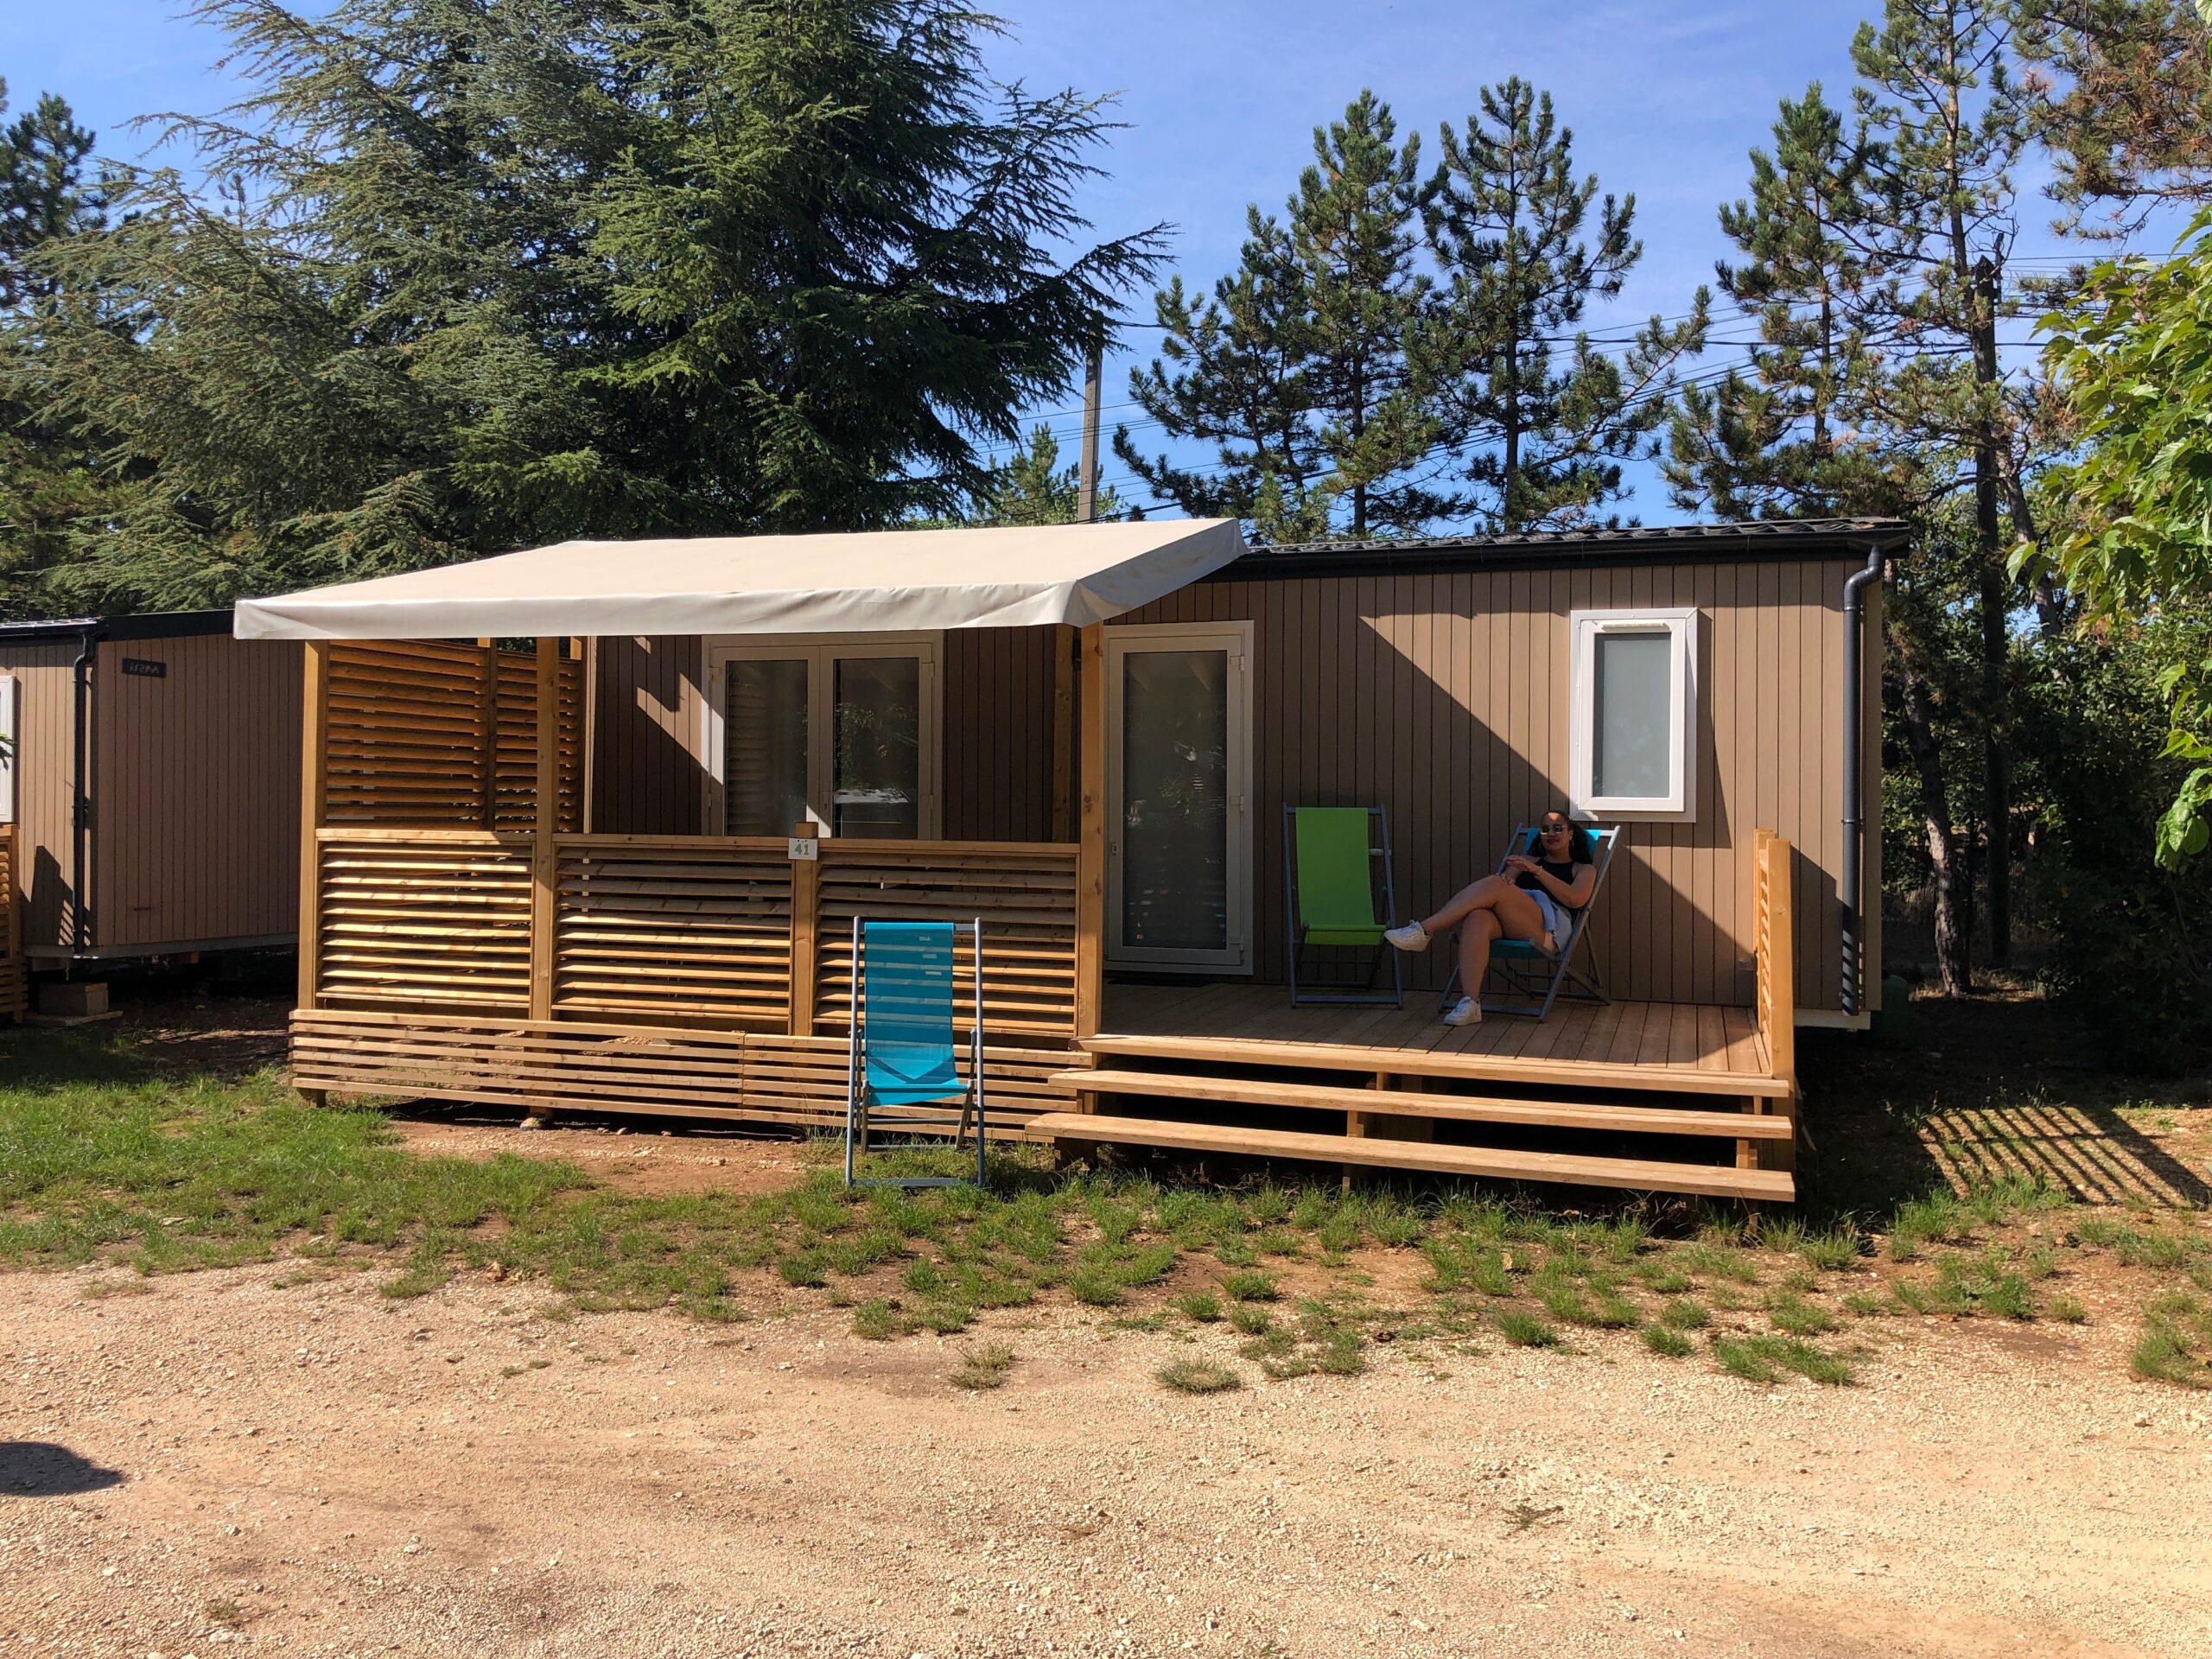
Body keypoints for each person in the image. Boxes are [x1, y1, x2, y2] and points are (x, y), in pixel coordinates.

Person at [1384, 812, 1597, 1026]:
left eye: (1558, 828)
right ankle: (1470, 1003)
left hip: (1550, 929)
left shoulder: (1583, 869)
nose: (1551, 833)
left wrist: (1536, 871)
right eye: (1545, 829)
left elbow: (1576, 900)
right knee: (1477, 917)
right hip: (1513, 921)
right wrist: (1519, 872)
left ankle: (1424, 930)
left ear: (1570, 834)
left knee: (1496, 884)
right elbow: (1505, 882)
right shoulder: (1525, 861)